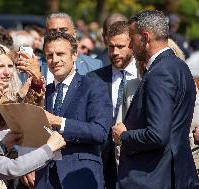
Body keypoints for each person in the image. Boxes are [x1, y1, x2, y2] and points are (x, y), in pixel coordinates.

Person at [112, 10, 199, 189]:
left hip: (153, 177)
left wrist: (124, 136)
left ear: (145, 37)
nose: (129, 44)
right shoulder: (180, 67)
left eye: (132, 38)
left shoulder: (160, 73)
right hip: (171, 175)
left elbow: (158, 135)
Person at [30, 31, 112, 189]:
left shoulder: (93, 86)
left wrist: (58, 122)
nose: (55, 60)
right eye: (49, 55)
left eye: (60, 54)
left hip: (79, 176)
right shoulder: (43, 92)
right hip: (45, 178)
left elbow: (100, 132)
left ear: (75, 55)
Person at [87, 20, 137, 189]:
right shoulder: (94, 78)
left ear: (132, 45)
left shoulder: (145, 77)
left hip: (135, 158)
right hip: (102, 161)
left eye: (121, 46)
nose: (115, 52)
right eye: (111, 47)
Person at [45, 12, 103, 84]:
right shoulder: (35, 67)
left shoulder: (94, 66)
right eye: (53, 31)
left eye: (63, 30)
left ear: (74, 34)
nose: (58, 35)